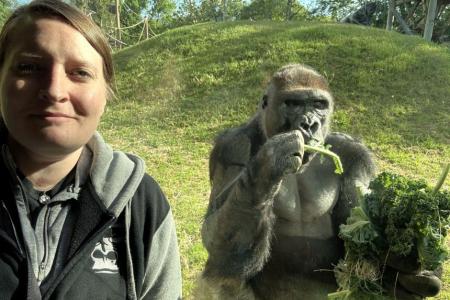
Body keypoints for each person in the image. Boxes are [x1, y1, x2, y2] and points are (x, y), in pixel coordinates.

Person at [0, 1, 182, 299]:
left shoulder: (141, 206)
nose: (55, 90)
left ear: (105, 95)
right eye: (30, 67)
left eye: (80, 73)